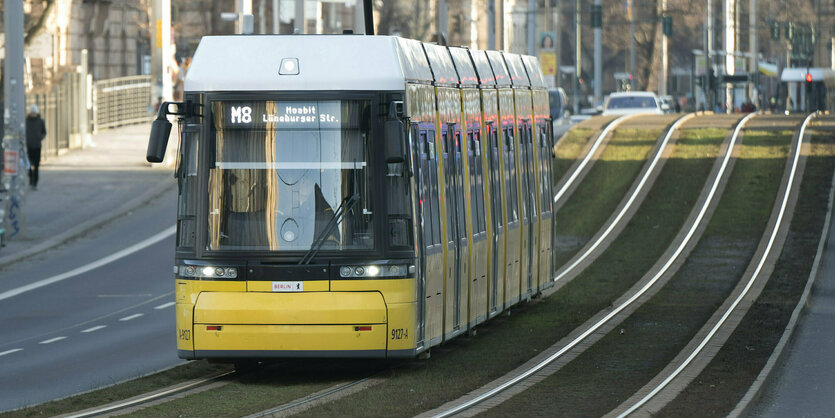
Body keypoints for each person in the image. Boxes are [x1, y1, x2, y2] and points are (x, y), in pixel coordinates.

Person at [26, 104, 47, 189]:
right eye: (32, 113)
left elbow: (44, 132)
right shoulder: (26, 121)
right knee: (29, 165)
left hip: (37, 146)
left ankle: (35, 182)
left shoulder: (40, 121)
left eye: (34, 113)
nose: (33, 114)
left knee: (36, 165)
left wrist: (40, 138)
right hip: (29, 146)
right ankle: (31, 178)